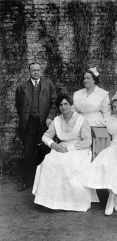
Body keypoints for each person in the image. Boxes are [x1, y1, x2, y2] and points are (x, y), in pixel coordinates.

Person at [33, 94, 98, 211]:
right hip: (61, 147)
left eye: (66, 104)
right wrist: (54, 145)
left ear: (71, 105)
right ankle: (54, 201)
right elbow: (46, 136)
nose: (63, 107)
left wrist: (69, 149)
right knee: (49, 161)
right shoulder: (56, 120)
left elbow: (88, 141)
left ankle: (72, 202)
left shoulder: (81, 120)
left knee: (68, 163)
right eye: (61, 105)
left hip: (79, 149)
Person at [15, 62, 57, 191]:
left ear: (41, 71)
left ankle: (44, 181)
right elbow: (18, 105)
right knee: (28, 153)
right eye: (33, 70)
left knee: (45, 151)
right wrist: (25, 117)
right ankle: (27, 181)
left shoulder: (48, 84)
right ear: (29, 71)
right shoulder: (22, 87)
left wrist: (49, 117)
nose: (36, 72)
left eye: (38, 70)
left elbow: (54, 103)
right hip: (29, 124)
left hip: (44, 124)